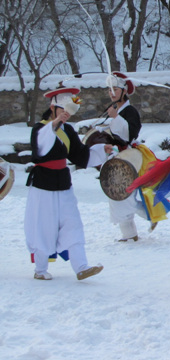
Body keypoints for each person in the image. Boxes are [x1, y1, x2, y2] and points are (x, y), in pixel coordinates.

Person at [25, 85, 111, 281]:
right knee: (43, 226)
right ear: (53, 108)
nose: (65, 116)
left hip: (63, 182)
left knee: (73, 223)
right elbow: (40, 150)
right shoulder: (40, 129)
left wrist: (100, 150)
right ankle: (40, 269)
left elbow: (79, 155)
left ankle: (81, 266)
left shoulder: (69, 130)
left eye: (67, 112)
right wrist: (54, 124)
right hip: (43, 184)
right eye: (62, 111)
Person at [104, 72, 170, 241]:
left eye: (115, 89)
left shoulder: (129, 111)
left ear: (124, 91)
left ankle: (150, 213)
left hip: (128, 156)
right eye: (109, 90)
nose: (112, 93)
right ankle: (130, 232)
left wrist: (116, 118)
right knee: (117, 193)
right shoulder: (115, 110)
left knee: (123, 193)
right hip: (116, 156)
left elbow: (129, 134)